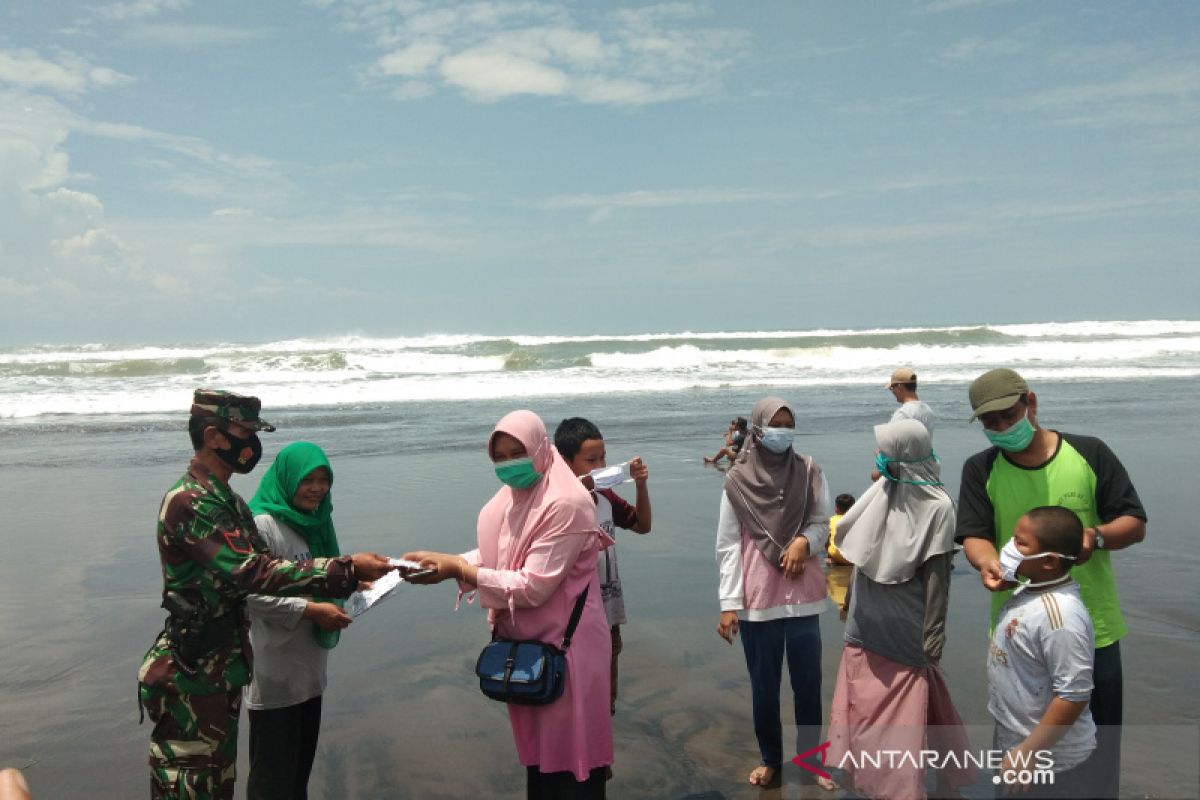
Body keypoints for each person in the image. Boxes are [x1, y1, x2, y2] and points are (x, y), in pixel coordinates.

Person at [137, 390, 394, 800]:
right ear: (214, 437)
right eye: (245, 431)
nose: (253, 443)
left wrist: (348, 578)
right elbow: (254, 572)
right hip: (191, 672)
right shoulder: (191, 502)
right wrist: (344, 570)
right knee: (190, 786)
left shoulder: (226, 501)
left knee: (218, 781)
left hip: (221, 666)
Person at [956, 368, 1146, 799]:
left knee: (1095, 755)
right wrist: (988, 563)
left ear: (1032, 403)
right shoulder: (980, 469)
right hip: (1016, 635)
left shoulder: (1089, 454)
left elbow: (1134, 523)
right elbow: (974, 533)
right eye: (991, 423)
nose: (1002, 428)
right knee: (1019, 746)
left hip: (1092, 629)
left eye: (1009, 415)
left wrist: (1094, 536)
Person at [404, 410, 613, 798]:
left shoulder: (565, 503)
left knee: (572, 761)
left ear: (540, 447)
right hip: (531, 648)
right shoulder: (515, 498)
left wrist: (459, 569)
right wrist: (449, 565)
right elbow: (502, 555)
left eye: (517, 452)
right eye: (499, 457)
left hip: (569, 649)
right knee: (542, 761)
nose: (508, 464)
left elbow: (533, 585)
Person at [827, 419, 973, 799]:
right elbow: (858, 557)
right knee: (868, 715)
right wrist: (847, 606)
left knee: (902, 721)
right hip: (864, 628)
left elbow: (938, 580)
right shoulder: (880, 493)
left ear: (903, 455)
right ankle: (874, 783)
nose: (879, 459)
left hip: (907, 633)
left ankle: (905, 788)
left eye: (886, 452)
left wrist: (932, 639)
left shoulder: (939, 507)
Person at [714, 397, 836, 790]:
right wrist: (729, 604)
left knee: (808, 684)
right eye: (775, 425)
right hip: (757, 598)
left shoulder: (809, 470)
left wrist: (805, 542)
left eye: (789, 423)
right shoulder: (736, 480)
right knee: (764, 686)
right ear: (758, 429)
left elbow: (822, 522)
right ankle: (770, 759)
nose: (783, 432)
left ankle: (811, 759)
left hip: (803, 596)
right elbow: (728, 544)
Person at [244, 442, 349, 800]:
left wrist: (354, 582)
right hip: (275, 673)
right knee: (271, 782)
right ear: (287, 480)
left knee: (297, 778)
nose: (318, 488)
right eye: (308, 480)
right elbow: (249, 596)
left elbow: (322, 577)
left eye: (324, 480)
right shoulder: (263, 524)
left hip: (309, 672)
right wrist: (311, 610)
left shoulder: (317, 523)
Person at [988, 506, 1096, 799]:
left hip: (1050, 761)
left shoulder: (1061, 618)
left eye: (1021, 543)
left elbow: (1073, 694)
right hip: (1014, 743)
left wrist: (1029, 750)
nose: (1010, 547)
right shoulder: (1028, 590)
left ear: (1048, 561)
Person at [553, 417, 652, 717]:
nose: (600, 466)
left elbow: (642, 525)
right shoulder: (558, 504)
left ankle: (600, 759)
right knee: (573, 700)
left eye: (603, 457)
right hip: (575, 619)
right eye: (591, 460)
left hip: (608, 612)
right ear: (565, 462)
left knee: (604, 701)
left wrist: (641, 485)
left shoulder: (604, 495)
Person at [888, 367, 935, 433]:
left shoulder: (903, 414)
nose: (892, 391)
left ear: (899, 387)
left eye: (892, 388)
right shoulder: (928, 410)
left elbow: (891, 441)